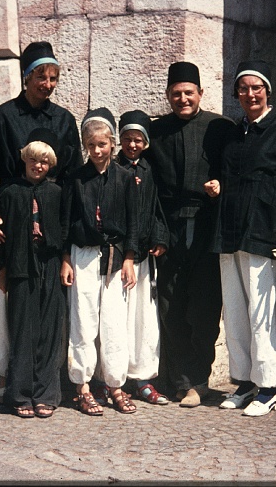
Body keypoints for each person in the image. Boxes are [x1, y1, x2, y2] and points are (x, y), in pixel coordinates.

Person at [0, 41, 82, 403]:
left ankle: (44, 384)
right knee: (9, 305)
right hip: (12, 219)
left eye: (53, 78)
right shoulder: (3, 117)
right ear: (25, 77)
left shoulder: (64, 120)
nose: (47, 84)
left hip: (49, 226)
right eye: (40, 77)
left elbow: (73, 178)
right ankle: (7, 376)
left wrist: (64, 230)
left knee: (49, 306)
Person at [206, 59, 276, 416]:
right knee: (236, 312)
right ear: (236, 94)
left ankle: (269, 388)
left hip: (267, 233)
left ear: (268, 92)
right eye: (243, 88)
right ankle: (245, 382)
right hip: (231, 233)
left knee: (265, 314)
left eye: (256, 88)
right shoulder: (236, 133)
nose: (250, 94)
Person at [143, 62, 235, 407]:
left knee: (204, 307)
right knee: (170, 306)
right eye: (176, 94)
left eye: (188, 93)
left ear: (200, 94)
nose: (183, 99)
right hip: (168, 226)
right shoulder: (157, 131)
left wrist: (222, 186)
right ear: (168, 96)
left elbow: (238, 169)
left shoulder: (220, 128)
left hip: (207, 227)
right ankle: (180, 380)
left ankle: (198, 380)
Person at [60, 108, 139, 416]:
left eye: (102, 145)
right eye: (90, 145)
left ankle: (115, 385)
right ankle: (81, 387)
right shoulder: (76, 179)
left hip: (115, 258)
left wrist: (130, 257)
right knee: (83, 321)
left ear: (113, 144)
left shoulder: (124, 177)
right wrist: (66, 258)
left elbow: (134, 222)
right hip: (83, 255)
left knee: (114, 323)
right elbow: (65, 222)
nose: (96, 151)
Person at [0, 128, 67, 418]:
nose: (38, 166)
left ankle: (46, 394)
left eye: (44, 162)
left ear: (51, 165)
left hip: (49, 262)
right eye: (34, 160)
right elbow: (3, 235)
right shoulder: (10, 192)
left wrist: (65, 261)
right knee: (22, 328)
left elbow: (64, 231)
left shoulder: (57, 192)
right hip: (21, 263)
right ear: (25, 160)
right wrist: (3, 269)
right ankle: (20, 394)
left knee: (49, 328)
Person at [116, 110, 170, 405]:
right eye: (127, 139)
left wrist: (160, 238)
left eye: (138, 140)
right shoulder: (112, 169)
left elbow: (158, 209)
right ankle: (115, 378)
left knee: (143, 319)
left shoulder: (151, 171)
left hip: (144, 259)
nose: (132, 145)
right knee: (117, 318)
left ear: (146, 143)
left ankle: (143, 378)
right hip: (118, 257)